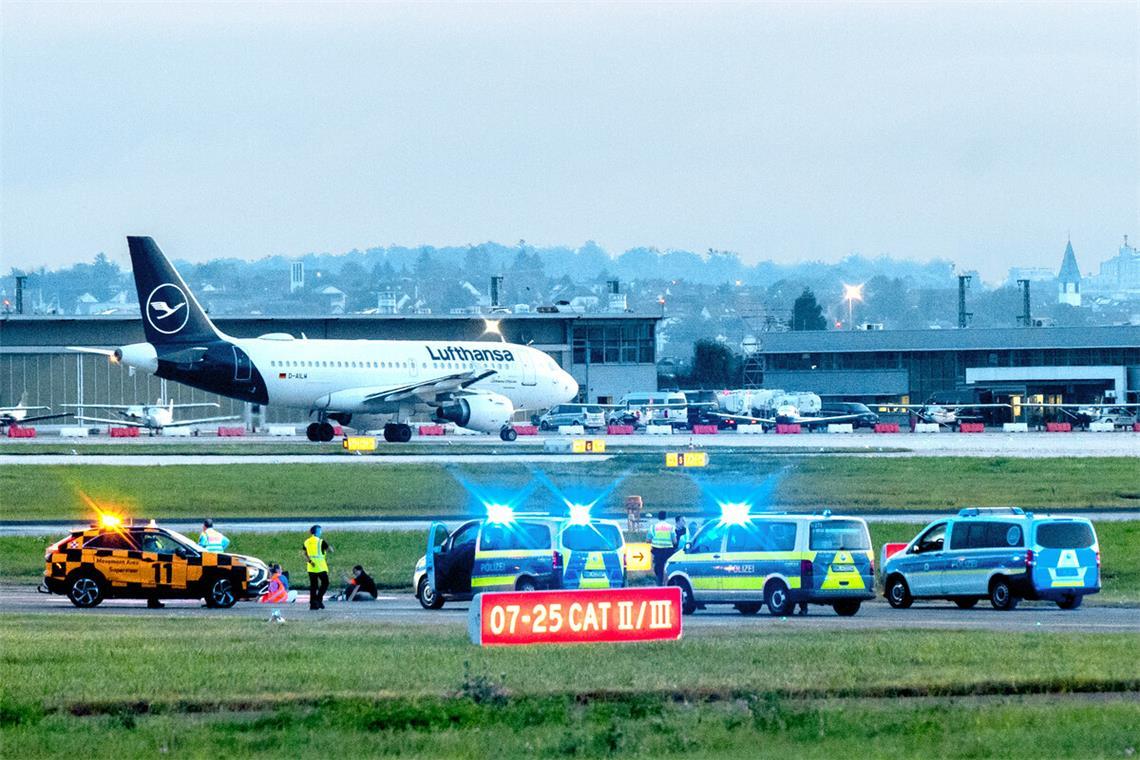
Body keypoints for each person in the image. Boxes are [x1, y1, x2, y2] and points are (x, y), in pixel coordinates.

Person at [302, 525, 332, 610]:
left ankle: (313, 604)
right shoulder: (321, 541)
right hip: (320, 567)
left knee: (313, 586)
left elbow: (305, 554)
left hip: (311, 567)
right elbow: (330, 550)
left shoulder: (306, 541)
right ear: (317, 532)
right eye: (320, 531)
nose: (321, 532)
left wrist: (310, 562)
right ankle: (318, 599)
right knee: (325, 583)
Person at [647, 509, 677, 585]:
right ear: (666, 517)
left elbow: (648, 540)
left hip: (657, 552)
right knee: (667, 569)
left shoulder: (653, 527)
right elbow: (674, 541)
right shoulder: (671, 527)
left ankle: (659, 585)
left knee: (659, 570)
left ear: (658, 517)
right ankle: (668, 584)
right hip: (668, 552)